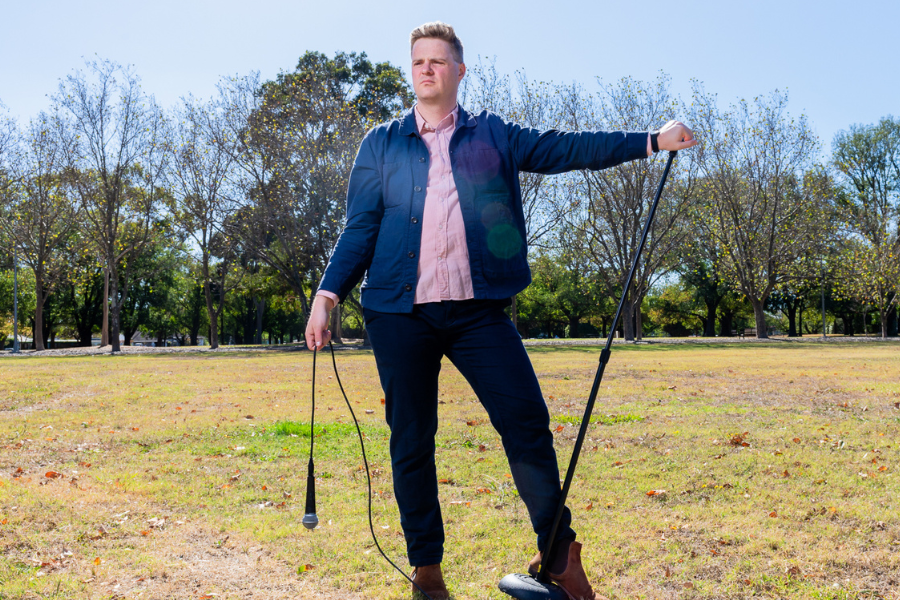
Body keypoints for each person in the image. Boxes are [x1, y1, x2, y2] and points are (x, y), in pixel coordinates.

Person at [306, 21, 697, 600]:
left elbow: (566, 148)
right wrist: (328, 293)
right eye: (419, 61)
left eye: (439, 61)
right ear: (410, 70)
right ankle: (427, 573)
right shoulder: (381, 144)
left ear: (459, 71)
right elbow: (360, 227)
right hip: (398, 314)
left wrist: (650, 139)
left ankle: (560, 556)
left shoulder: (493, 135)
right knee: (411, 438)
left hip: (477, 311)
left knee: (526, 422)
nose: (428, 69)